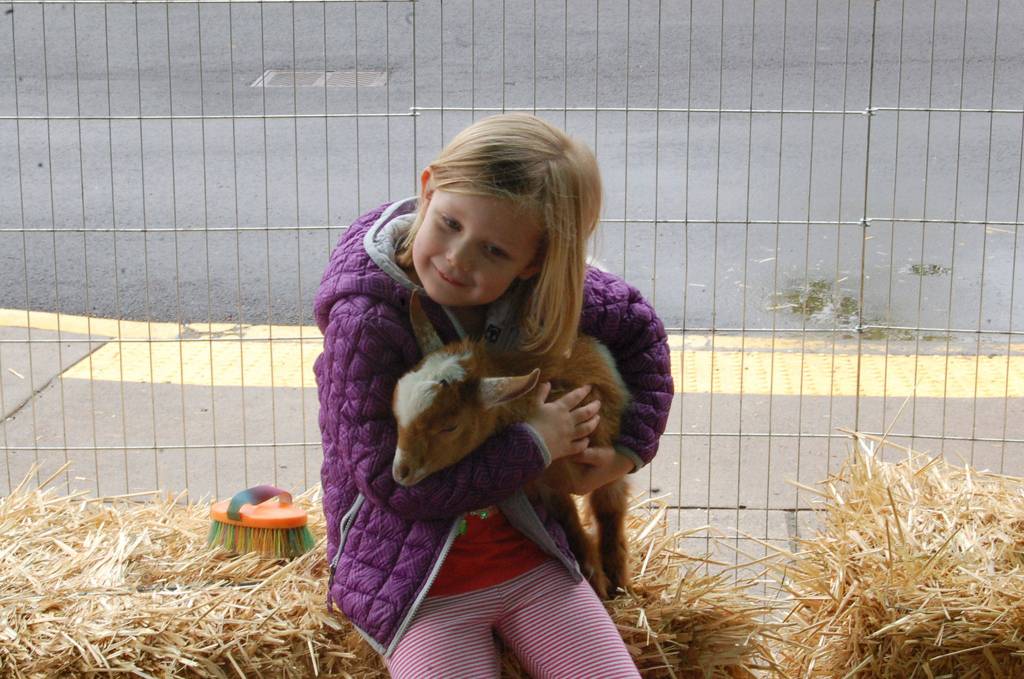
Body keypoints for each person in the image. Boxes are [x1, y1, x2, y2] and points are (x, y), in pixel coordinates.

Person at [314, 113, 674, 678]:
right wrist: (534, 446)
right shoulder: (364, 323)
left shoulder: (541, 286)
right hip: (417, 584)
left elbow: (640, 333)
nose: (460, 258)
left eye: (495, 252)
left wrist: (628, 450)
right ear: (428, 189)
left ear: (533, 261)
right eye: (451, 223)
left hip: (534, 559)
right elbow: (394, 481)